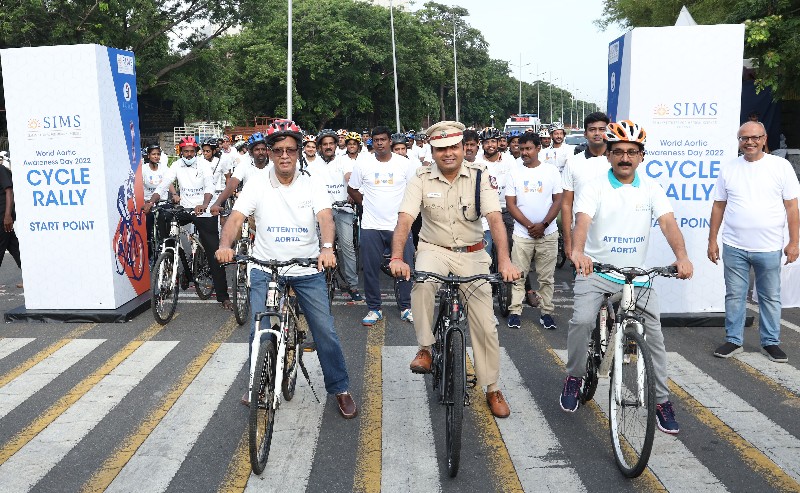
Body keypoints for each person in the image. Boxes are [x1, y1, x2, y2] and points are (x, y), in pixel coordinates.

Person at [215, 119, 357, 418]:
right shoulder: (257, 183)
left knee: (324, 330)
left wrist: (327, 249)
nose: (284, 156)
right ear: (269, 152)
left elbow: (325, 217)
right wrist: (225, 245)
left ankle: (340, 388)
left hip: (306, 268)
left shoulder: (312, 183)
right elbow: (236, 218)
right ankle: (257, 383)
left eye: (290, 150)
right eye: (278, 150)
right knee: (260, 328)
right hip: (265, 267)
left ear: (298, 152)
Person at [561, 120, 693, 437]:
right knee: (582, 321)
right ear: (608, 155)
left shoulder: (651, 188)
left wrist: (682, 257)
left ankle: (661, 402)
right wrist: (578, 252)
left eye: (632, 152)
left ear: (641, 156)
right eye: (618, 151)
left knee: (655, 337)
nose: (625, 158)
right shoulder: (594, 187)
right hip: (597, 271)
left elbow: (668, 223)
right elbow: (582, 222)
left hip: (637, 277)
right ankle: (574, 376)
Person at [389, 120, 522, 418]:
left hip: (473, 253)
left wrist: (504, 260)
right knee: (422, 284)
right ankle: (426, 348)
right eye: (441, 149)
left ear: (463, 147)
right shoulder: (421, 177)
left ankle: (492, 387)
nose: (448, 153)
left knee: (486, 324)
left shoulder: (479, 176)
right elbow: (405, 219)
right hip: (433, 249)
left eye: (453, 147)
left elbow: (495, 219)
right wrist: (397, 257)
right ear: (432, 152)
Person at [708, 121, 799, 363]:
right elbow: (718, 206)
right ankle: (733, 340)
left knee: (770, 297)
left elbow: (792, 207)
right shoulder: (729, 169)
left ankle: (771, 342)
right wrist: (712, 240)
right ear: (739, 141)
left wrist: (794, 242)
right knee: (734, 295)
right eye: (744, 138)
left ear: (764, 139)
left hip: (769, 247)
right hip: (734, 246)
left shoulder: (780, 166)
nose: (750, 142)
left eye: (755, 137)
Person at [145, 136, 232, 310]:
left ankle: (223, 297)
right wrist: (151, 202)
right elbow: (163, 185)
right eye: (186, 151)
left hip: (203, 211)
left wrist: (205, 205)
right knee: (164, 217)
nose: (189, 154)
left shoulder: (204, 164)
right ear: (181, 152)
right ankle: (171, 256)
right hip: (185, 209)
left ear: (196, 152)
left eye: (192, 151)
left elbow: (209, 186)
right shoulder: (177, 165)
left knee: (214, 253)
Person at [348, 126, 417, 325]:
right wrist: (365, 204)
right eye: (376, 140)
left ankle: (406, 307)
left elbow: (414, 190)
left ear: (390, 141)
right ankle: (374, 308)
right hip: (371, 225)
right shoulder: (363, 164)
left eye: (383, 139)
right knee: (370, 269)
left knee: (405, 267)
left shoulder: (404, 164)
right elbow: (352, 189)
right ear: (372, 142)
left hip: (399, 226)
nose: (379, 143)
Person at [505, 133, 562, 330]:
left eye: (528, 149)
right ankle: (515, 312)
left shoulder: (551, 171)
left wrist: (544, 225)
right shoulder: (514, 172)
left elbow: (558, 200)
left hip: (548, 233)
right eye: (521, 149)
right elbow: (511, 204)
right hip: (522, 234)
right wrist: (530, 226)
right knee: (518, 276)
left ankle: (546, 313)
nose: (524, 153)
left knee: (546, 278)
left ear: (538, 148)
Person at [310, 129, 362, 302]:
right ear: (319, 147)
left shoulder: (343, 161)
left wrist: (352, 190)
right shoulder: (313, 166)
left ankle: (353, 285)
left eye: (331, 143)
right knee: (316, 246)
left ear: (335, 145)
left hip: (342, 209)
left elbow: (349, 177)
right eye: (324, 144)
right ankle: (315, 282)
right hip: (320, 211)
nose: (328, 147)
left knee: (347, 246)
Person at [561, 112, 611, 262]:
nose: (597, 133)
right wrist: (568, 240)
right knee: (584, 275)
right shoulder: (573, 163)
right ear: (585, 134)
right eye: (592, 129)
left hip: (613, 235)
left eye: (602, 129)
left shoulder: (617, 162)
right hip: (582, 238)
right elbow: (566, 204)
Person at [209, 132, 272, 216]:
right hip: (251, 208)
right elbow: (232, 184)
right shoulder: (244, 164)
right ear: (250, 152)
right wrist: (217, 203)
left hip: (269, 207)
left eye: (263, 149)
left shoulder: (273, 164)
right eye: (257, 150)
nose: (261, 152)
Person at [0, 163, 22, 283]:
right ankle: (32, 277)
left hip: (3, 217)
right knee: (15, 248)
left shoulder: (1, 169)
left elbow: (9, 191)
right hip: (4, 219)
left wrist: (8, 216)